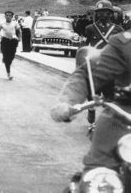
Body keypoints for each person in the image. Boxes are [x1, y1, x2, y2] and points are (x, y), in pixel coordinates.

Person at [50, 29, 131, 174]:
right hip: (123, 119)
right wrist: (68, 101)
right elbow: (88, 75)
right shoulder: (124, 44)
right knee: (98, 178)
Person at [0, 11, 21, 80]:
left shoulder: (15, 23)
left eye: (9, 15)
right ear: (5, 16)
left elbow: (19, 31)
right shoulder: (2, 23)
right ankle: (8, 73)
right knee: (6, 57)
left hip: (13, 40)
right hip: (5, 41)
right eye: (6, 15)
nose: (8, 16)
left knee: (12, 56)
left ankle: (6, 61)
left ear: (12, 16)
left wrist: (19, 38)